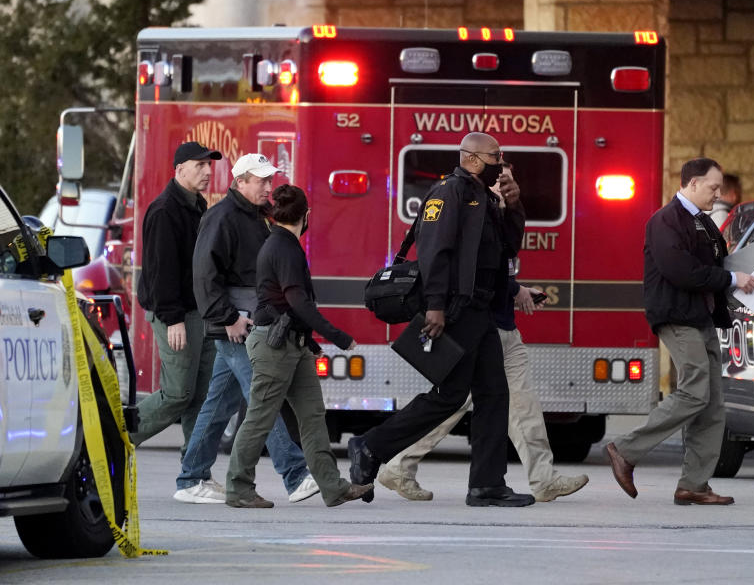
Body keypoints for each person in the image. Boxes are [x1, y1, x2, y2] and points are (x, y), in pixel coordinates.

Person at [348, 132, 534, 507]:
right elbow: (434, 251)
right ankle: (369, 446)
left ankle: (486, 484)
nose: (503, 163)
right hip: (456, 309)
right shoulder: (448, 193)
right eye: (497, 157)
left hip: (482, 311)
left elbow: (509, 247)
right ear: (474, 159)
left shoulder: (484, 196)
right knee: (450, 396)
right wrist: (434, 305)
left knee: (493, 394)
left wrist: (513, 204)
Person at [605, 158, 754, 506]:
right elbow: (681, 271)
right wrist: (733, 278)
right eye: (712, 187)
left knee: (712, 404)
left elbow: (714, 264)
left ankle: (694, 484)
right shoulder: (665, 221)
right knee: (694, 393)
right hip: (677, 317)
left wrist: (747, 278)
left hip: (702, 318)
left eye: (720, 188)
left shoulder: (703, 222)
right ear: (692, 184)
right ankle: (624, 450)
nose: (718, 194)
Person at [173, 154, 320, 504]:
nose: (268, 187)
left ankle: (191, 478)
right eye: (261, 181)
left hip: (247, 322)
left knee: (220, 404)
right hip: (235, 325)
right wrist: (228, 319)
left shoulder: (258, 217)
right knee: (262, 397)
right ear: (241, 182)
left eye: (270, 180)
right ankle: (296, 474)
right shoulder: (221, 218)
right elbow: (204, 275)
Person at [377, 268, 589, 503]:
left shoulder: (501, 232)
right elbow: (479, 271)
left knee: (523, 406)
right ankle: (397, 465)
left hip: (504, 328)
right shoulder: (481, 229)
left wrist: (515, 289)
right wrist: (516, 289)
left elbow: (497, 273)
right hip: (480, 330)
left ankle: (544, 479)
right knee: (453, 404)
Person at [225, 184, 372, 508]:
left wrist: (311, 343)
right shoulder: (284, 248)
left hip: (293, 343)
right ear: (307, 215)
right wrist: (339, 337)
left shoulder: (282, 244)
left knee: (312, 415)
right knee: (260, 418)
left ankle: (333, 487)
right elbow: (299, 302)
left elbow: (292, 307)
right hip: (274, 347)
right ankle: (238, 488)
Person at [130, 142, 218, 458]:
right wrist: (173, 318)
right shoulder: (165, 210)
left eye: (209, 166)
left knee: (203, 394)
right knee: (178, 393)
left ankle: (195, 471)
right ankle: (120, 435)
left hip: (201, 312)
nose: (208, 172)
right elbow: (160, 270)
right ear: (180, 170)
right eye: (200, 166)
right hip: (175, 314)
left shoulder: (197, 206)